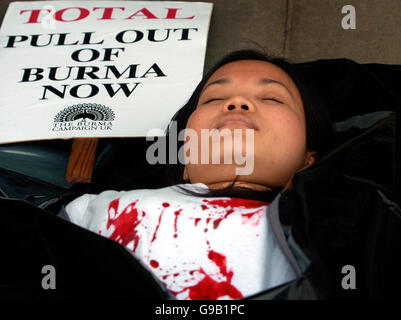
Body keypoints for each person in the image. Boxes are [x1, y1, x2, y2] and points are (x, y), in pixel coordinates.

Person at [63, 50, 336, 300]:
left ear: (308, 159)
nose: (237, 102)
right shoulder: (91, 207)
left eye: (271, 98)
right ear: (184, 157)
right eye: (214, 98)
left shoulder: (343, 226)